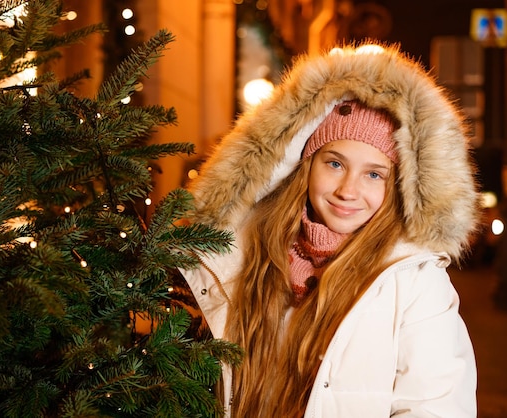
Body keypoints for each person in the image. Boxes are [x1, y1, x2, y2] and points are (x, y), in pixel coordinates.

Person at [180, 42, 480, 417]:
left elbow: (435, 406)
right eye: (335, 163)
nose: (348, 190)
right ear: (305, 162)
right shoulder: (243, 251)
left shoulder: (413, 280)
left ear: (400, 185)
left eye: (374, 174)